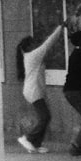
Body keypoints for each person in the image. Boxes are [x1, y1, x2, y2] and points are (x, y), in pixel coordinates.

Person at [16, 23, 64, 153]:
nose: (37, 45)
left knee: (44, 116)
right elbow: (49, 43)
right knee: (45, 117)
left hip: (33, 90)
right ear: (29, 46)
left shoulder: (29, 56)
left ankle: (35, 144)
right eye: (34, 43)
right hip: (33, 91)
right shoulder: (33, 55)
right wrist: (60, 28)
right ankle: (28, 138)